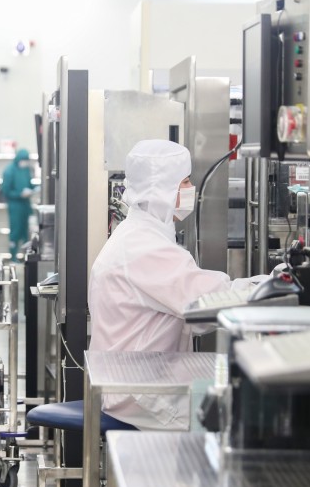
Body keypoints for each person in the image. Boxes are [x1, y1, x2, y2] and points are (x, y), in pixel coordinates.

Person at [88, 139, 263, 431]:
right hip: (140, 393)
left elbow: (190, 313)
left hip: (135, 379)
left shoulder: (140, 235)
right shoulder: (144, 247)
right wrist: (271, 288)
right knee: (229, 421)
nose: (190, 189)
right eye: (185, 181)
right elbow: (207, 301)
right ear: (162, 189)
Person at [1, 148, 35, 259]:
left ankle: (25, 257)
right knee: (15, 231)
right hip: (15, 206)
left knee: (26, 232)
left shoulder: (26, 170)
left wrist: (34, 189)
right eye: (23, 160)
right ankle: (13, 256)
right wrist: (20, 194)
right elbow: (6, 191)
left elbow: (29, 184)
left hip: (26, 205)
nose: (25, 162)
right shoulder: (9, 171)